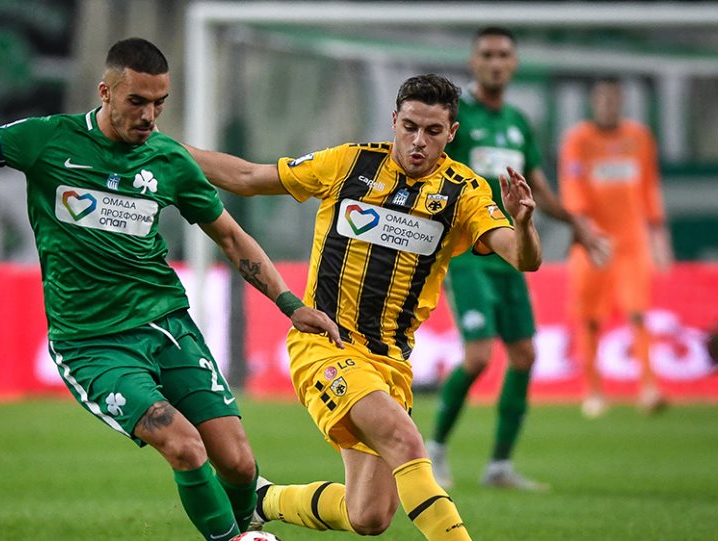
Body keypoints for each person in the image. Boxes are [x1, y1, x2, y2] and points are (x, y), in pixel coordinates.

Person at [0, 37, 343, 541]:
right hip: (92, 342)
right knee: (184, 446)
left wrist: (290, 305)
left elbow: (231, 237)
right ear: (105, 92)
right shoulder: (44, 139)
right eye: (137, 101)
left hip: (167, 326)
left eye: (159, 103)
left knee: (238, 463)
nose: (149, 116)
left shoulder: (169, 159)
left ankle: (244, 523)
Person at [188, 73, 542, 540]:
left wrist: (523, 223)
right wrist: (162, 148)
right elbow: (247, 177)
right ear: (394, 120)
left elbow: (523, 258)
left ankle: (261, 500)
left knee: (368, 515)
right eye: (409, 127)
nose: (418, 141)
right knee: (405, 440)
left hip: (390, 363)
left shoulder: (464, 192)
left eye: (433, 131)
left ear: (451, 133)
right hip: (326, 347)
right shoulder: (349, 164)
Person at [426, 26, 610, 491]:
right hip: (467, 253)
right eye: (487, 54)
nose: (495, 62)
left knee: (525, 355)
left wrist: (578, 224)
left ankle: (499, 466)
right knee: (478, 355)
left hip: (509, 253)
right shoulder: (456, 117)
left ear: (514, 64)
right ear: (474, 62)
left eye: (503, 55)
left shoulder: (518, 122)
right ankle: (435, 449)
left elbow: (538, 189)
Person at [559, 77, 673, 418]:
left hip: (632, 242)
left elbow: (649, 186)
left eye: (613, 99)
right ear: (594, 103)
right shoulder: (579, 140)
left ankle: (649, 388)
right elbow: (572, 185)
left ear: (620, 102)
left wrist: (659, 235)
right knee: (590, 318)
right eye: (603, 99)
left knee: (638, 312)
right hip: (594, 243)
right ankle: (593, 390)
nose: (608, 105)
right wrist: (586, 229)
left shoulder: (639, 138)